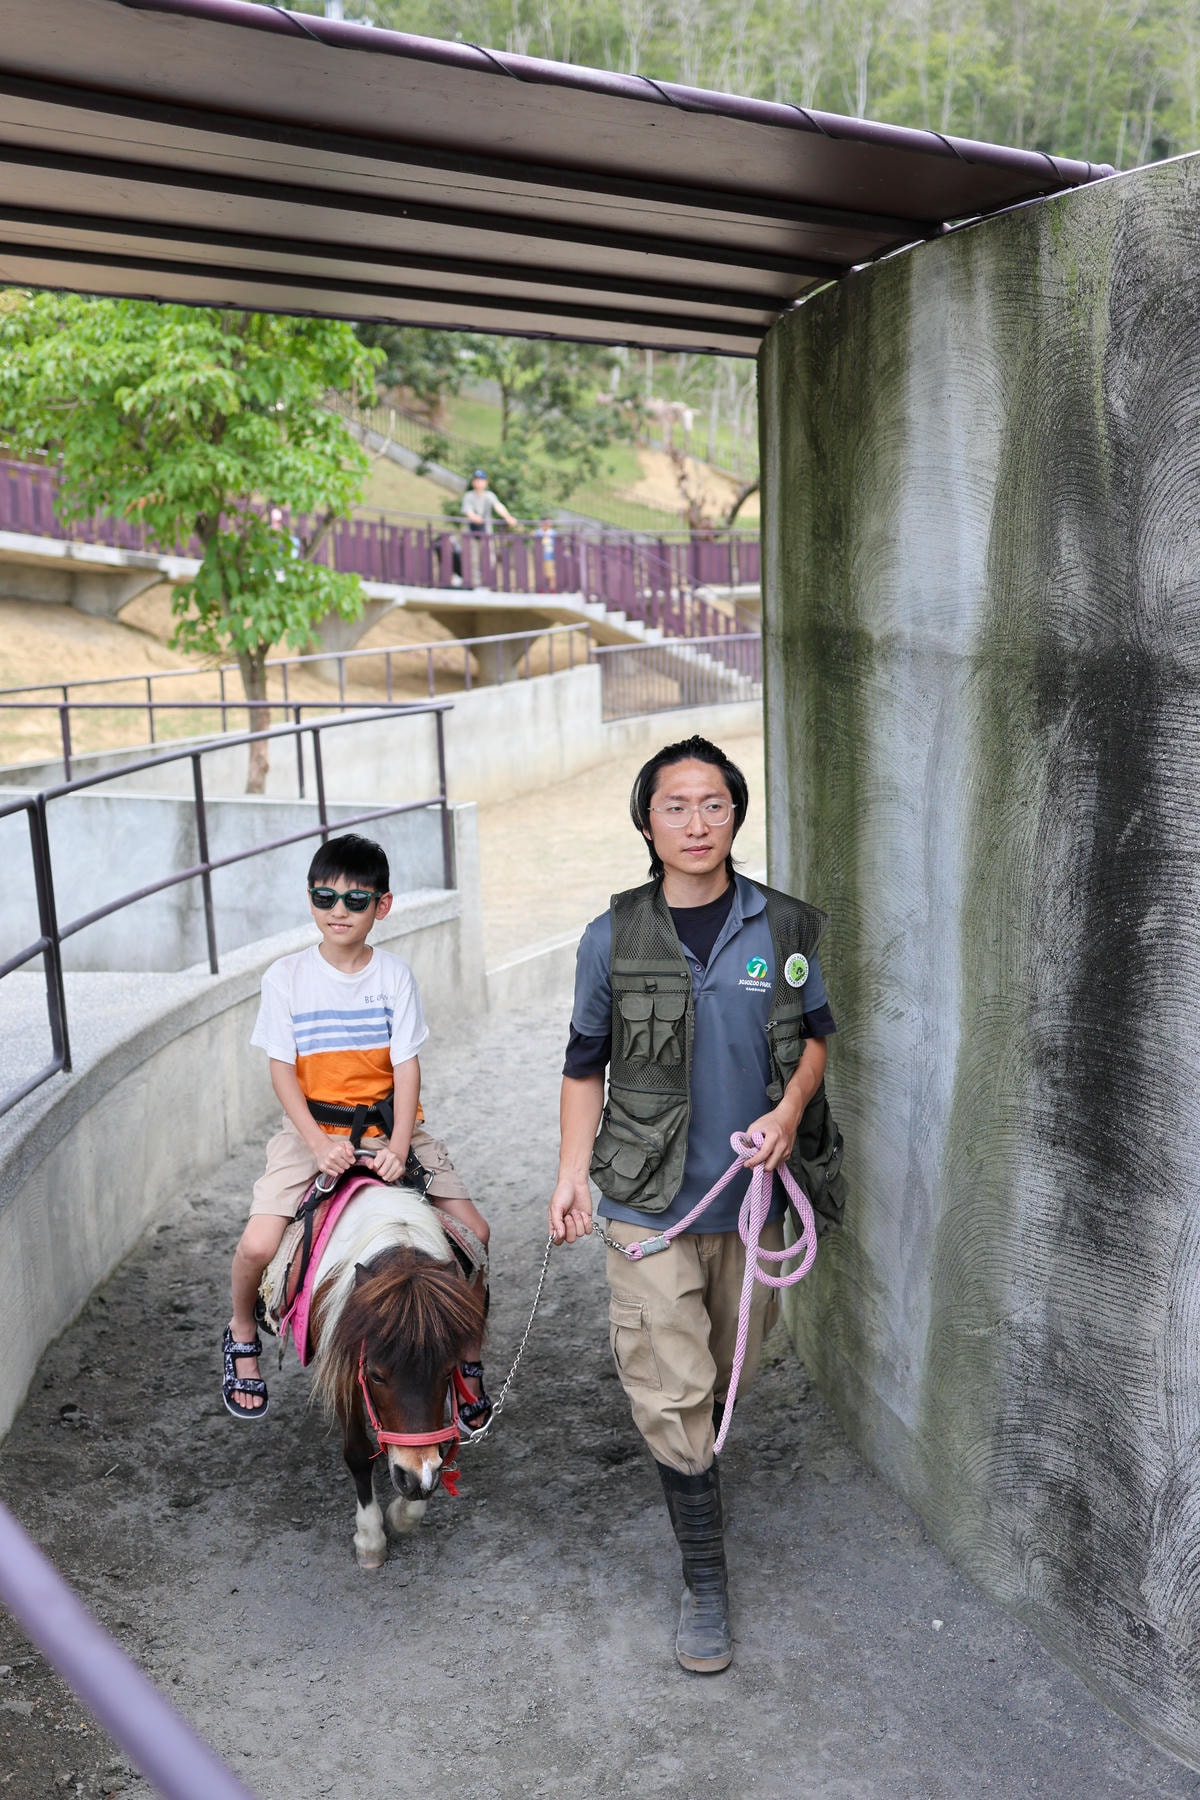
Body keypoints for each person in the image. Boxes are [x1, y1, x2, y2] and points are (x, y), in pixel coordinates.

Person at [547, 736, 841, 1674]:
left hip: (752, 1202)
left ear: (735, 816)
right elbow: (582, 1063)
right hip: (645, 1201)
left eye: (713, 803)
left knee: (723, 1380)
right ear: (648, 822)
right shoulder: (613, 934)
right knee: (672, 1391)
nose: (696, 822)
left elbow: (817, 1043)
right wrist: (567, 1174)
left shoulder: (784, 929)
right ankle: (705, 1579)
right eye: (676, 805)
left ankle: (695, 1488)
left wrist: (789, 1114)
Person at [223, 833, 491, 1427]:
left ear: (383, 906)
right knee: (259, 1244)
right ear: (310, 899)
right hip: (311, 1133)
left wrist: (398, 1149)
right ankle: (244, 1330)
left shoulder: (394, 975)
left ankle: (465, 1358)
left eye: (355, 901)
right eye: (325, 897)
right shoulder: (287, 977)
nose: (338, 912)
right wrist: (319, 1146)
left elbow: (406, 1065)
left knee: (474, 1231)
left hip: (391, 1128)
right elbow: (282, 1070)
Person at [460, 469, 517, 585]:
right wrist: (475, 517)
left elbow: (498, 506)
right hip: (472, 533)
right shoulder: (469, 496)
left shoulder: (489, 496)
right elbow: (468, 511)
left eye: (481, 480)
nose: (478, 483)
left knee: (489, 558)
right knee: (473, 559)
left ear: (486, 482)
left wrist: (508, 517)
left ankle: (488, 582)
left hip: (486, 533)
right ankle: (475, 584)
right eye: (476, 480)